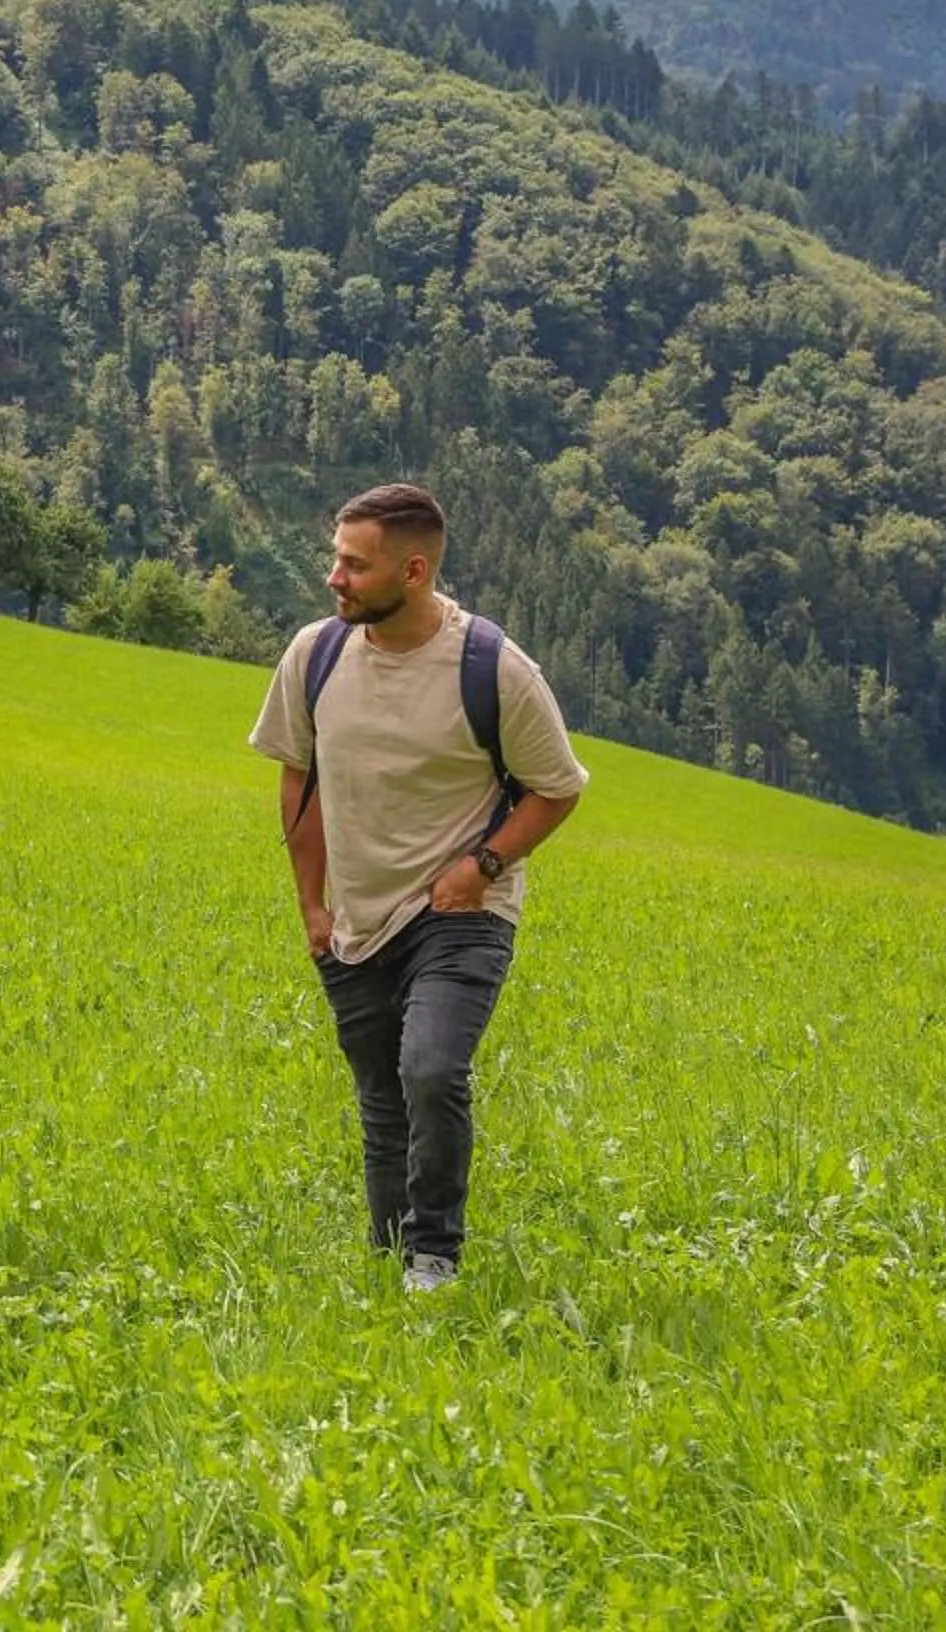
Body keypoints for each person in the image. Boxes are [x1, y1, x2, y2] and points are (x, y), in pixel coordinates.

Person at [249, 482, 588, 1292]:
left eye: (353, 565)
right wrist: (312, 904)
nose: (334, 578)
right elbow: (299, 779)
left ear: (413, 571)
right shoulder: (314, 655)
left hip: (460, 910)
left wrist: (483, 866)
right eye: (336, 559)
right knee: (381, 1096)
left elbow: (557, 788)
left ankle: (433, 1259)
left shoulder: (494, 669)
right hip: (355, 916)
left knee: (430, 1071)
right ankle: (388, 1258)